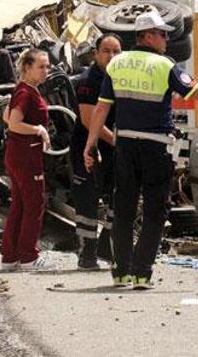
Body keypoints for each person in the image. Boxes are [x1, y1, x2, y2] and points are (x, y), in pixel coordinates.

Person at [83, 10, 198, 289]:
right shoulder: (165, 65)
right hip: (156, 147)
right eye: (162, 34)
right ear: (148, 36)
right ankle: (141, 273)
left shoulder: (117, 64)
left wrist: (91, 144)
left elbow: (102, 107)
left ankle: (120, 272)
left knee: (123, 209)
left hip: (124, 145)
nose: (167, 38)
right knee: (154, 211)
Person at [71, 33, 122, 269]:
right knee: (88, 202)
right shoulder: (89, 80)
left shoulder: (119, 78)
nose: (111, 56)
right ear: (96, 53)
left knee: (119, 198)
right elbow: (89, 119)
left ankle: (105, 246)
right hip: (89, 148)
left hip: (112, 150)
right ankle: (87, 253)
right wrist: (117, 142)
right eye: (106, 51)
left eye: (116, 51)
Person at [1, 48, 52, 271]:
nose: (46, 71)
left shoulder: (22, 90)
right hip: (26, 155)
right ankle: (29, 257)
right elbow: (13, 123)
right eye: (41, 67)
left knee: (19, 205)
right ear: (27, 68)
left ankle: (10, 257)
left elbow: (6, 116)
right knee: (34, 204)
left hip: (17, 153)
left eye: (47, 66)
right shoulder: (25, 93)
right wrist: (38, 130)